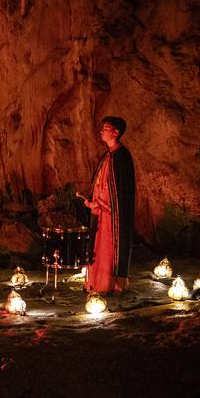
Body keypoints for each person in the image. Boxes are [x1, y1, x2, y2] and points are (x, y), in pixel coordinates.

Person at [81, 116, 136, 294]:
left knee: (108, 250)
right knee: (97, 248)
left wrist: (101, 203)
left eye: (106, 128)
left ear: (116, 132)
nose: (101, 131)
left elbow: (120, 192)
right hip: (101, 212)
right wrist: (92, 201)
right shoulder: (107, 156)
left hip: (112, 216)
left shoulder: (121, 157)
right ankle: (95, 283)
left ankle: (109, 284)